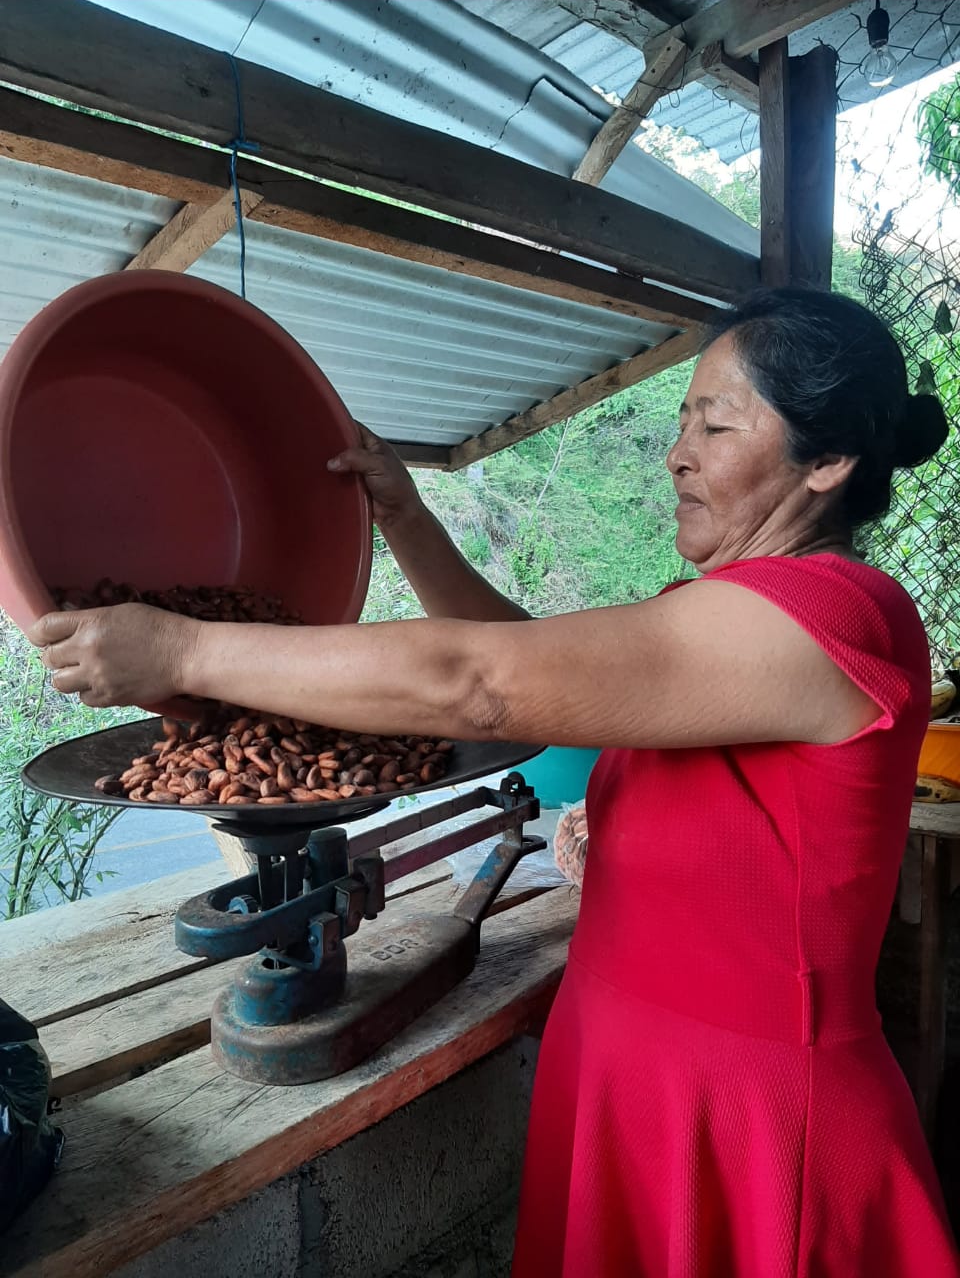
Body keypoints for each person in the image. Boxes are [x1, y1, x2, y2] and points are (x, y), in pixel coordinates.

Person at [30, 288, 960, 1276]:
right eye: (682, 422)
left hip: (746, 1114)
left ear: (827, 460)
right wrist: (407, 521)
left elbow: (484, 686)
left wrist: (185, 650)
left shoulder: (836, 614)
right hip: (628, 1070)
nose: (677, 453)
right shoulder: (727, 610)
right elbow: (529, 664)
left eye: (716, 425)